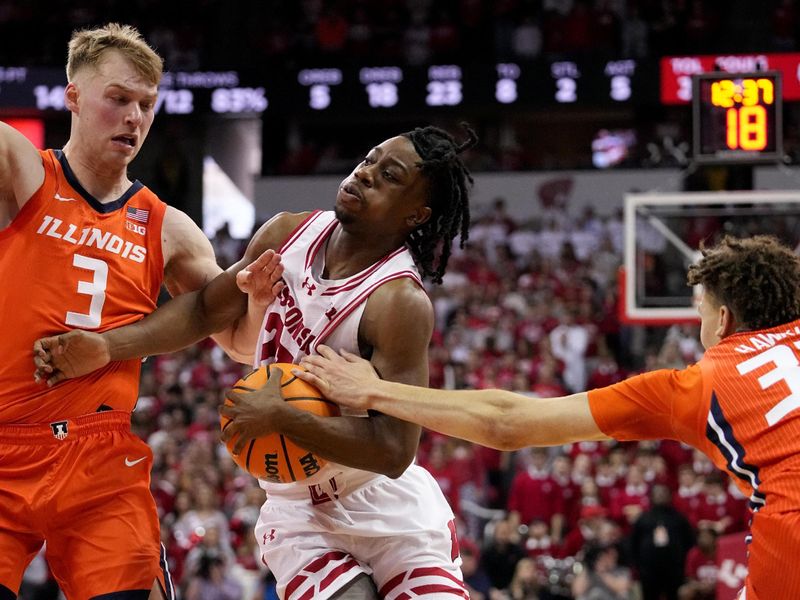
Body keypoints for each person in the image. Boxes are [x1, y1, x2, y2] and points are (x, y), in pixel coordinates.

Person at [34, 124, 477, 599]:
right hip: (300, 512)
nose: (365, 174)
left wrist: (283, 416)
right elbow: (205, 309)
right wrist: (107, 346)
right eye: (369, 159)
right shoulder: (287, 233)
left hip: (387, 505)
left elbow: (393, 450)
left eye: (389, 176)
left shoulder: (399, 303)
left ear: (416, 214)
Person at [297, 234, 800, 600]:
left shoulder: (697, 383)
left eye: (700, 316)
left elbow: (507, 421)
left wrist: (378, 391)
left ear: (725, 320)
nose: (700, 333)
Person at [2, 23, 281, 599]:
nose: (134, 118)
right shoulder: (24, 172)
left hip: (99, 454)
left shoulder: (169, 226)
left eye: (147, 105)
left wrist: (255, 298)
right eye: (119, 99)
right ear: (73, 97)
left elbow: (238, 341)